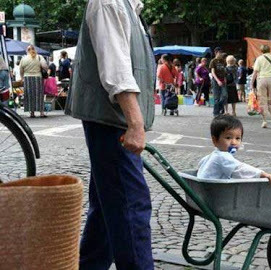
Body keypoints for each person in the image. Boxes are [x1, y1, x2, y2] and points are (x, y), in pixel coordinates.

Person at [64, 0, 155, 268]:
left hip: (113, 121)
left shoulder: (126, 6)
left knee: (107, 209)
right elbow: (116, 70)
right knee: (131, 206)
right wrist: (135, 124)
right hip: (112, 121)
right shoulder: (108, 2)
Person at [197, 115, 271, 182]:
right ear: (215, 140)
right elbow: (241, 169)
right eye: (228, 138)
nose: (234, 142)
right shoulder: (222, 157)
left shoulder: (210, 157)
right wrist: (264, 175)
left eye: (238, 138)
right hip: (213, 195)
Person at [250, 44, 271, 128]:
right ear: (269, 50)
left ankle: (264, 121)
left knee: (262, 100)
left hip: (261, 80)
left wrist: (251, 84)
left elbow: (255, 72)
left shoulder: (259, 59)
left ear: (261, 50)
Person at [20, 45, 48, 118]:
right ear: (34, 49)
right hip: (37, 77)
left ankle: (32, 113)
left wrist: (22, 77)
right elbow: (45, 65)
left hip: (27, 78)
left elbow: (21, 69)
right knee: (39, 95)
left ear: (27, 50)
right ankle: (41, 113)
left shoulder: (24, 58)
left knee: (29, 95)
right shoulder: (39, 57)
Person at [210, 47, 227, 117]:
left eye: (221, 53)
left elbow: (224, 70)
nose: (220, 54)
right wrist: (217, 80)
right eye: (219, 53)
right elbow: (213, 72)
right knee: (216, 97)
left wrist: (225, 78)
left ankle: (219, 108)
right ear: (216, 53)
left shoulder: (223, 61)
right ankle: (216, 112)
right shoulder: (213, 61)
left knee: (224, 95)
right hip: (216, 80)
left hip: (223, 79)